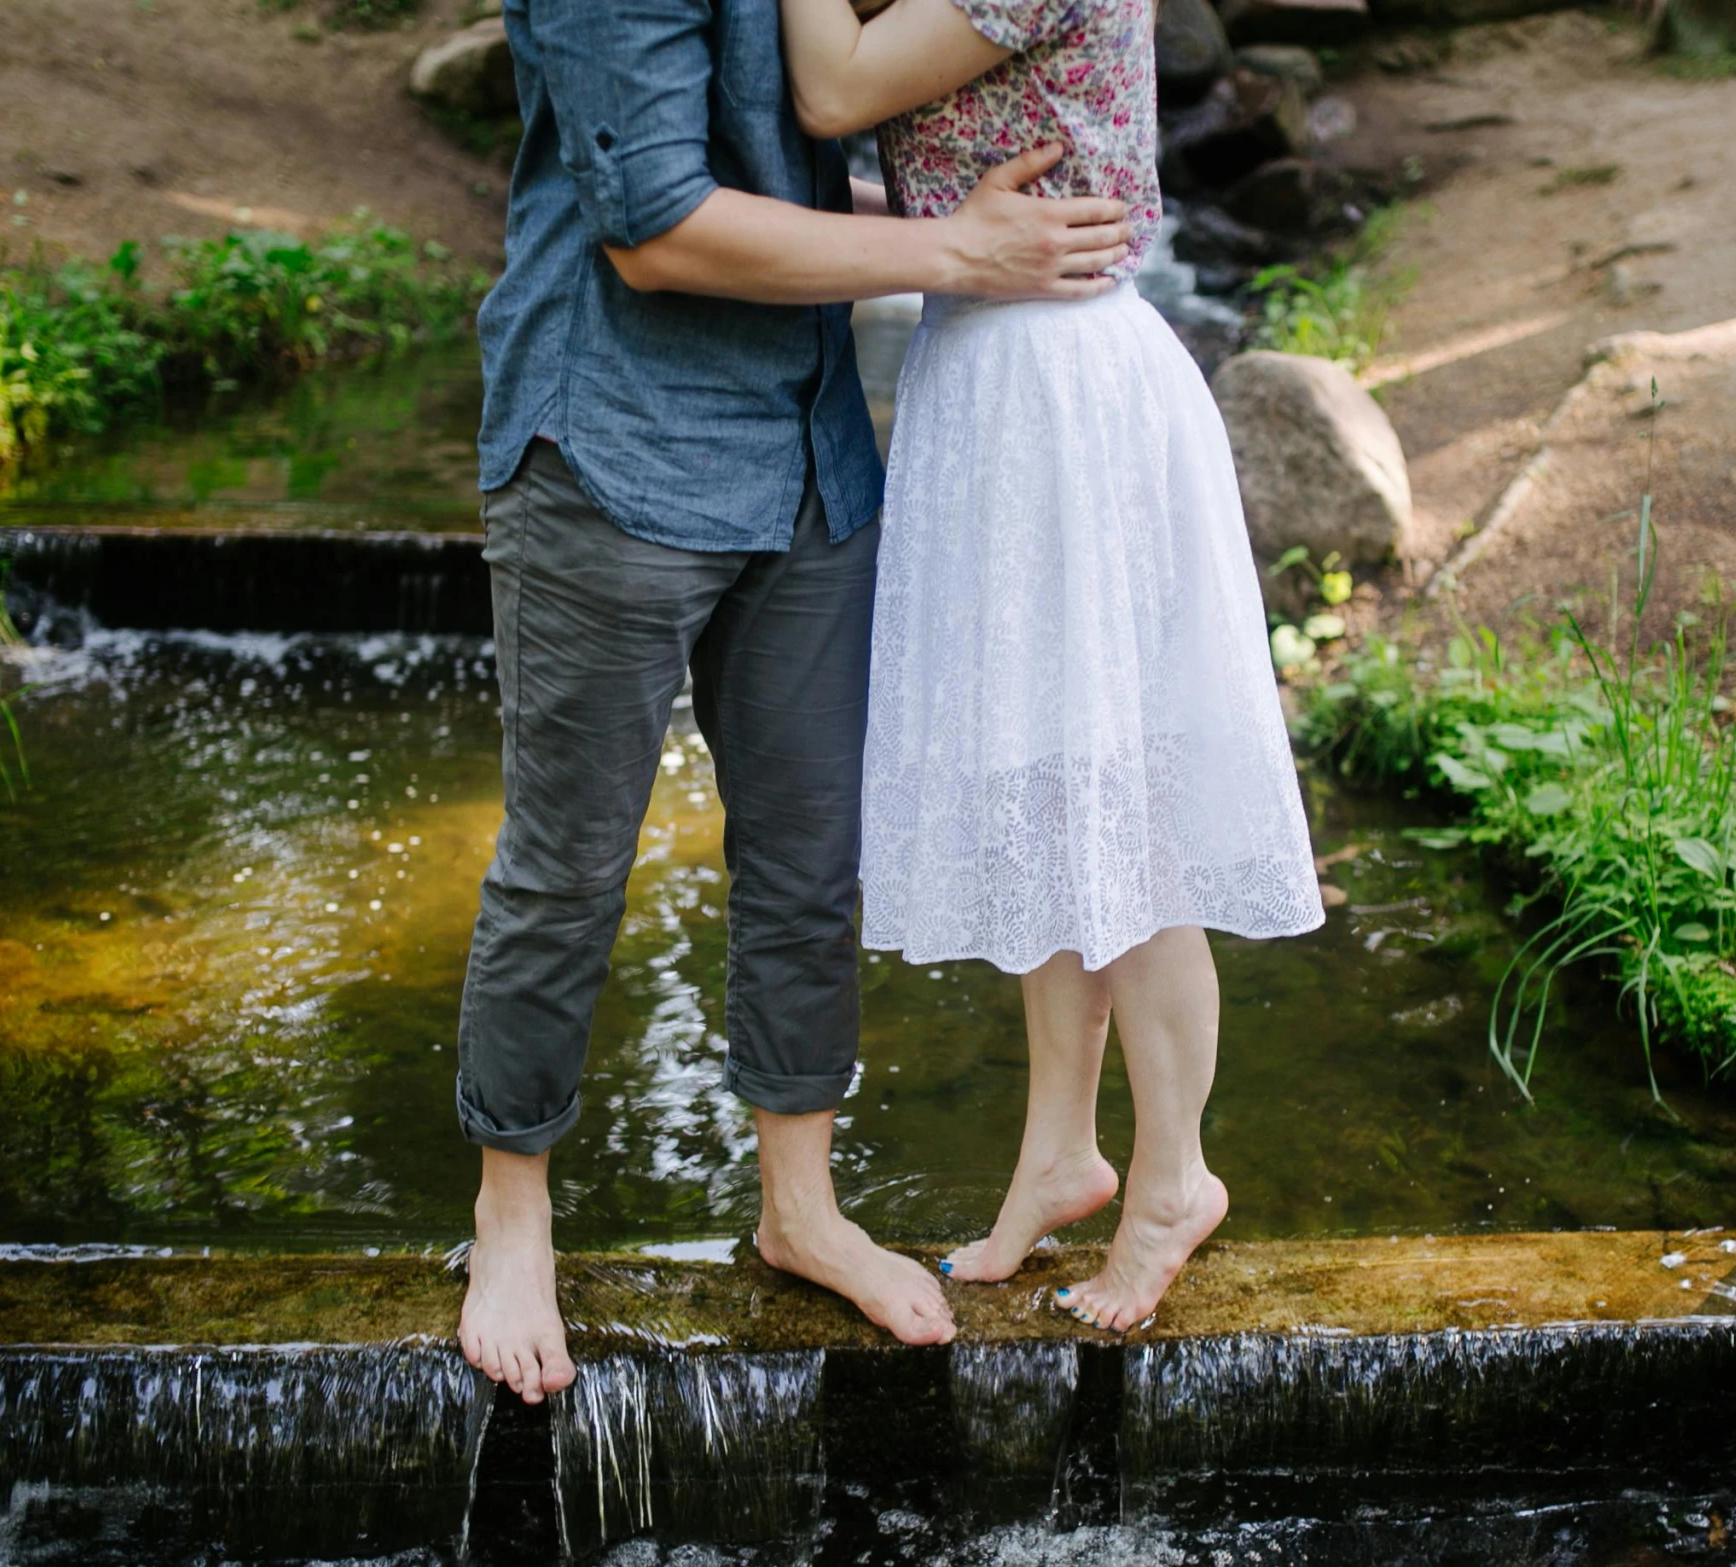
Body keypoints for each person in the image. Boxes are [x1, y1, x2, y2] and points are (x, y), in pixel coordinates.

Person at [455, 0, 1134, 1403]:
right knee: (569, 863)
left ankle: (798, 1205)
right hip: (608, 444)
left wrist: (995, 203)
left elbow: (804, 143)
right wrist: (955, 251)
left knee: (810, 859)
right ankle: (509, 1214)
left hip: (811, 446)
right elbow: (657, 231)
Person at [779, 0, 1325, 1330]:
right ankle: (1059, 1152)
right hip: (999, 372)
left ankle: (1172, 1176)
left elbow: (836, 89)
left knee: (1127, 809)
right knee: (1052, 789)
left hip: (1063, 386)